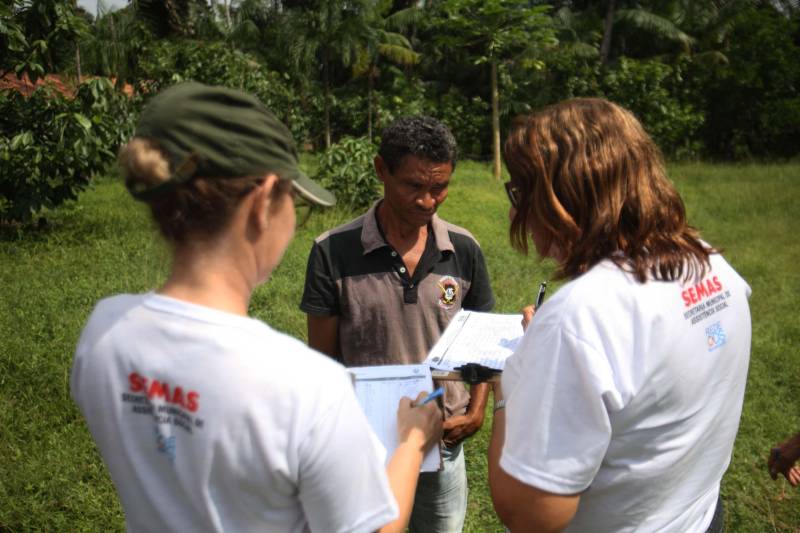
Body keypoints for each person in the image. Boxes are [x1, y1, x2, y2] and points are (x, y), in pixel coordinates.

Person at [70, 82, 442, 533]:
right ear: (263, 202)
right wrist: (412, 441)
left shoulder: (104, 332)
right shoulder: (306, 387)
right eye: (296, 204)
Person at [487, 98, 752, 532]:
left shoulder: (579, 319)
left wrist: (507, 388)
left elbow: (531, 515)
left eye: (521, 192)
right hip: (699, 517)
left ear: (562, 197)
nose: (516, 212)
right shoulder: (713, 265)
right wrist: (558, 360)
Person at [300, 115, 495, 532]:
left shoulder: (463, 249)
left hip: (443, 440)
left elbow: (480, 341)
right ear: (380, 171)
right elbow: (323, 360)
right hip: (364, 443)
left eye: (439, 187)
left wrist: (476, 412)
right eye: (414, 186)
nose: (428, 201)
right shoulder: (332, 252)